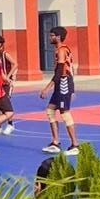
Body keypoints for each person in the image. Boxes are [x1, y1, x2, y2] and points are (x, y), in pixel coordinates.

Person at [38, 26, 78, 155]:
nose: (50, 37)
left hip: (64, 83)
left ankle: (75, 145)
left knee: (64, 112)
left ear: (58, 37)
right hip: (62, 83)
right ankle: (55, 142)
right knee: (50, 110)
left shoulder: (62, 51)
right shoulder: (61, 50)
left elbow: (60, 72)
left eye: (52, 35)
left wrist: (47, 88)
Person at [0, 36, 17, 135]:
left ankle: (10, 124)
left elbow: (15, 64)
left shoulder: (5, 54)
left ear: (1, 46)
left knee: (6, 103)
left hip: (7, 83)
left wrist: (8, 77)